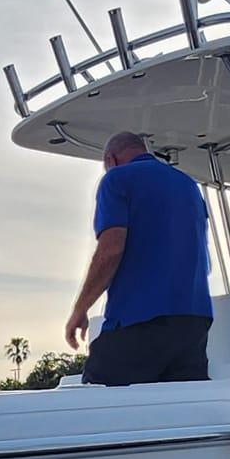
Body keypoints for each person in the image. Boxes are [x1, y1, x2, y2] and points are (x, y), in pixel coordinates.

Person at [64, 131, 213, 386]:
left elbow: (110, 250)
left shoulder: (116, 180)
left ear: (111, 160)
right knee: (180, 412)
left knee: (96, 396)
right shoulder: (189, 185)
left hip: (141, 320)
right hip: (194, 322)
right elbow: (204, 260)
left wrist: (81, 308)